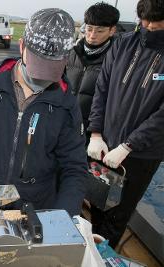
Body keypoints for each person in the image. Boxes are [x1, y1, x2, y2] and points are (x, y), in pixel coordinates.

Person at [0, 9, 87, 218]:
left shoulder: (66, 105)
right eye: (38, 66)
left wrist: (64, 218)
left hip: (34, 205)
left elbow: (74, 168)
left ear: (66, 59)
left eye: (51, 71)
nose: (41, 80)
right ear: (22, 46)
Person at [87, 0, 164, 248]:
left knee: (119, 212)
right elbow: (102, 89)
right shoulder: (123, 43)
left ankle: (104, 256)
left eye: (158, 21)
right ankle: (91, 253)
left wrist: (129, 145)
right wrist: (96, 132)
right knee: (97, 203)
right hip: (106, 144)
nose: (150, 26)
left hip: (141, 153)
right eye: (146, 20)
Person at [66, 2, 119, 143]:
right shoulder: (70, 53)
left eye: (100, 31)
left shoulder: (117, 60)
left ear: (112, 30)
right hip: (62, 127)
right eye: (89, 29)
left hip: (93, 134)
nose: (92, 35)